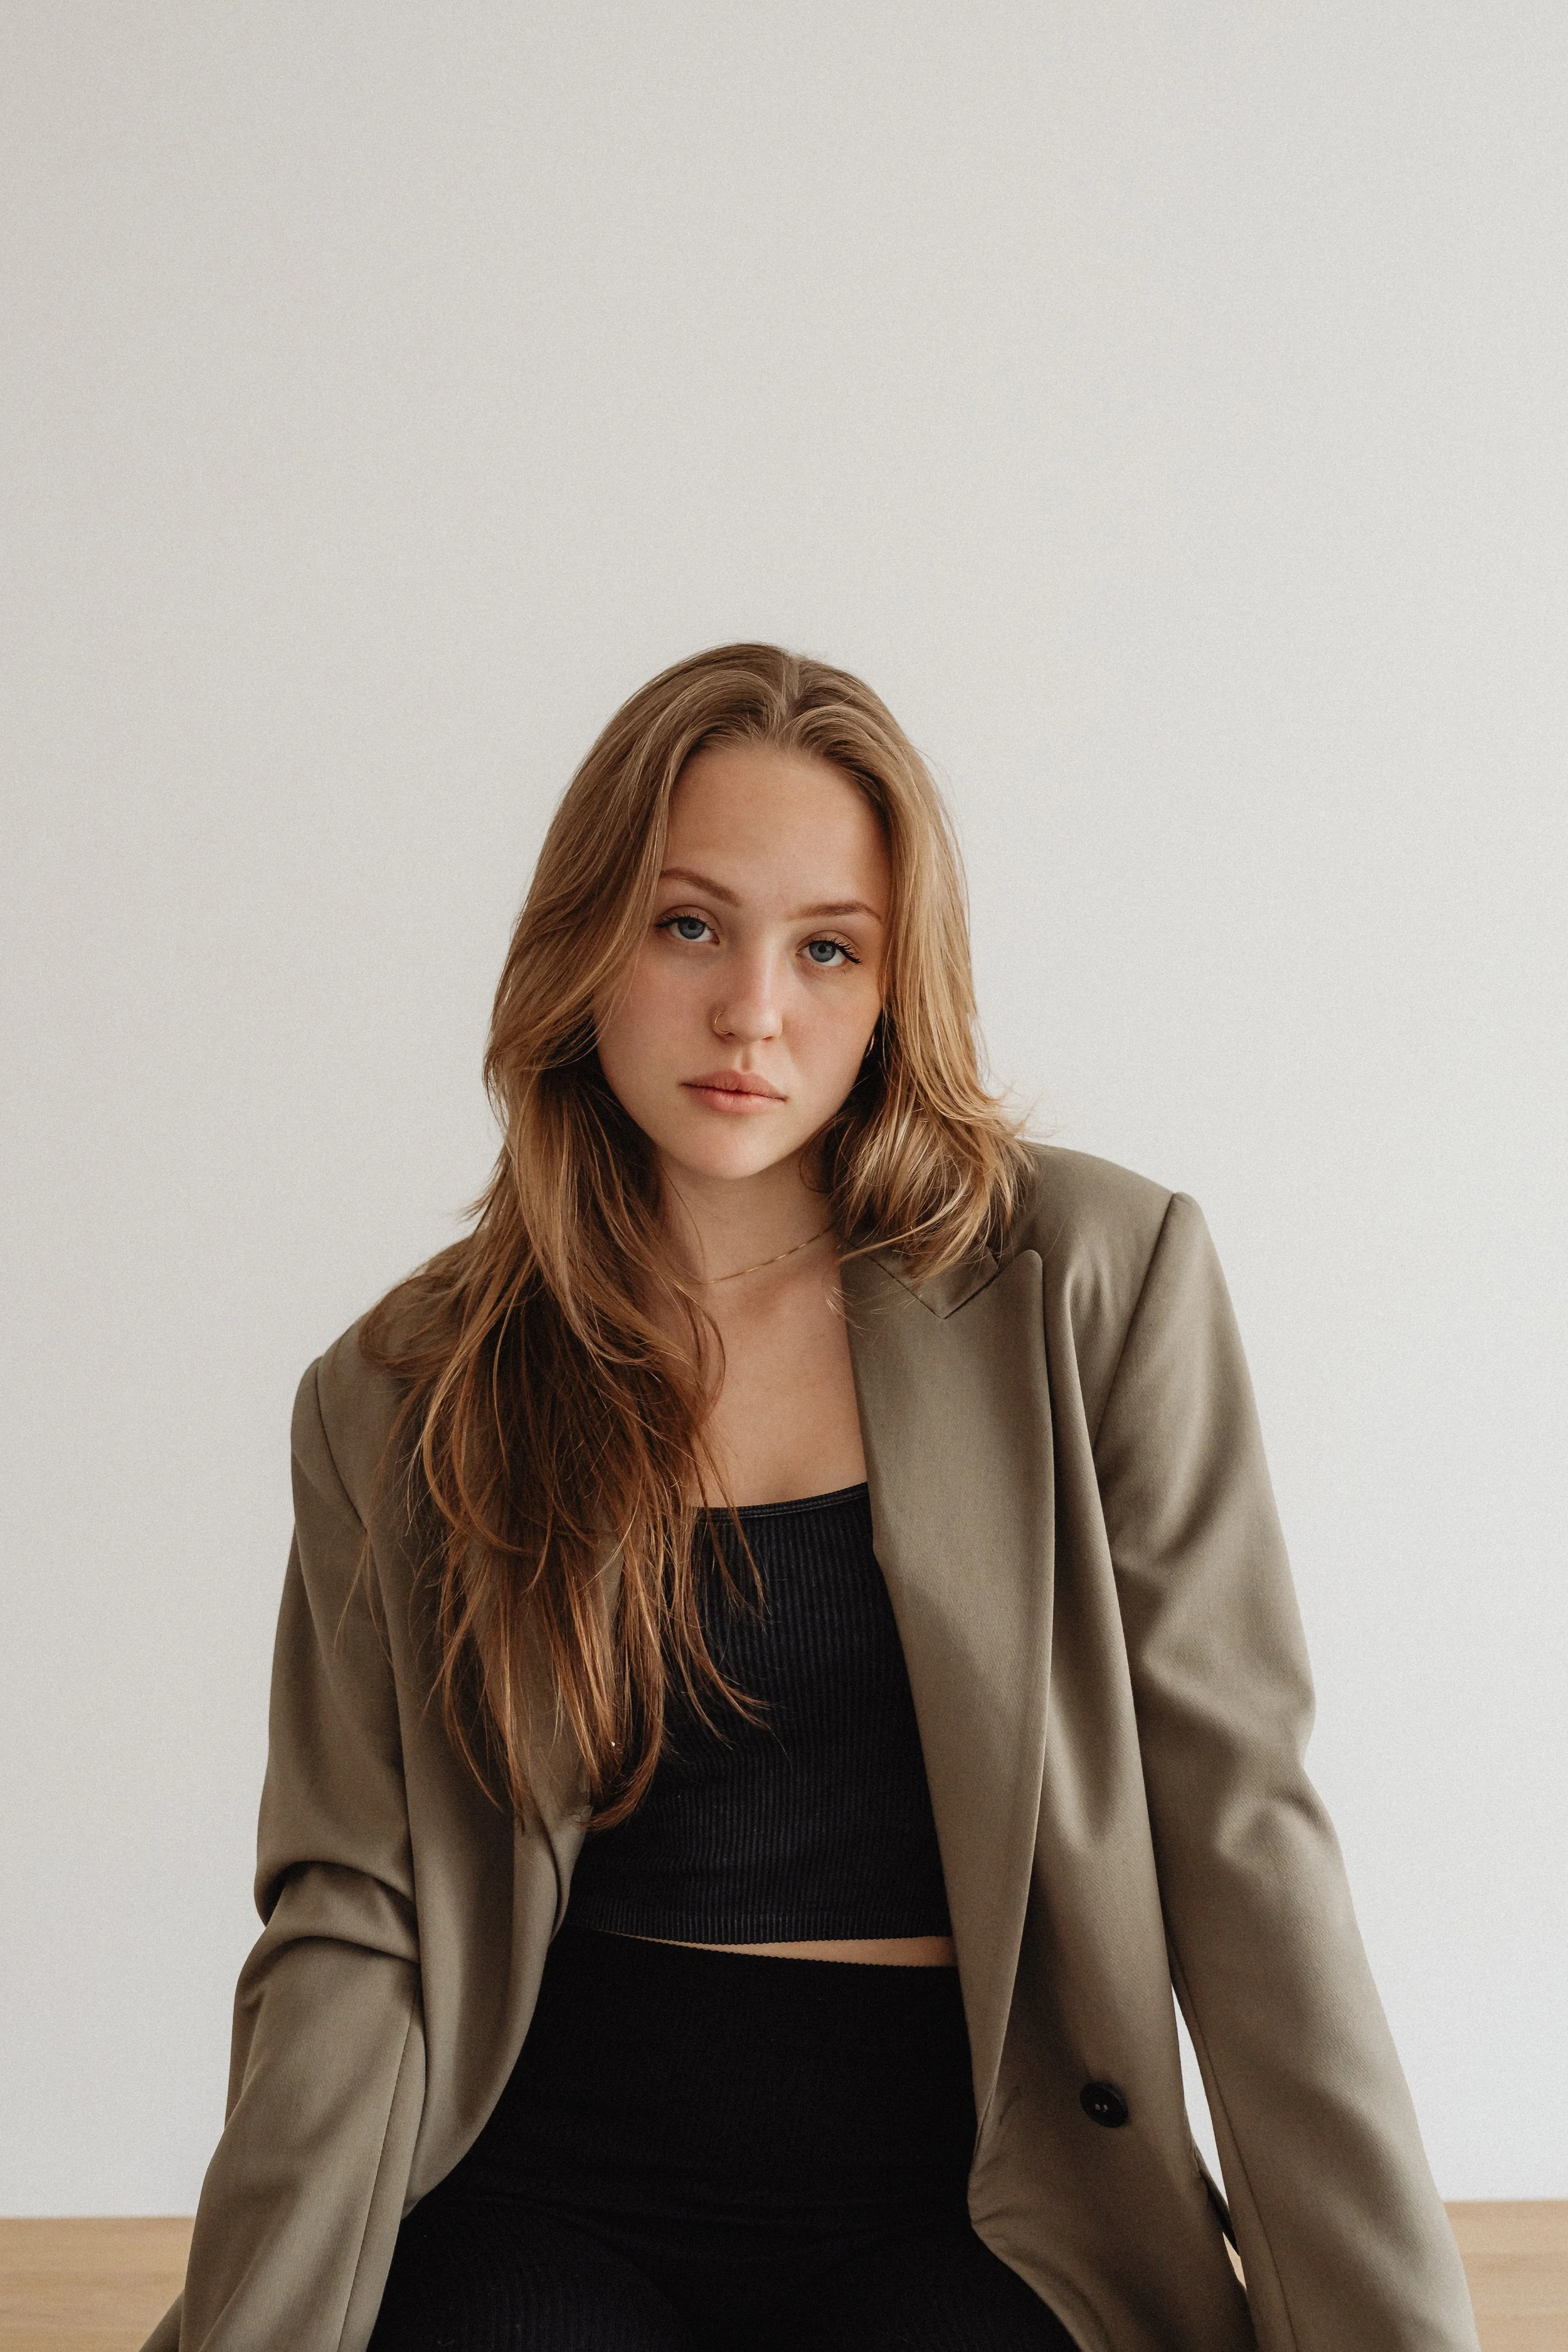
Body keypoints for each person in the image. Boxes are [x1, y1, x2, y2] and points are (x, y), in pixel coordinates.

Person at [145, 644, 1479, 2352]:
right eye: (687, 923)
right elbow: (354, 1914)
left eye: (824, 947)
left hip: (965, 2195)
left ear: (893, 984)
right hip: (543, 2181)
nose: (751, 1011)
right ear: (582, 942)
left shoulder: (1088, 1282)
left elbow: (1240, 1833)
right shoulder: (405, 1388)